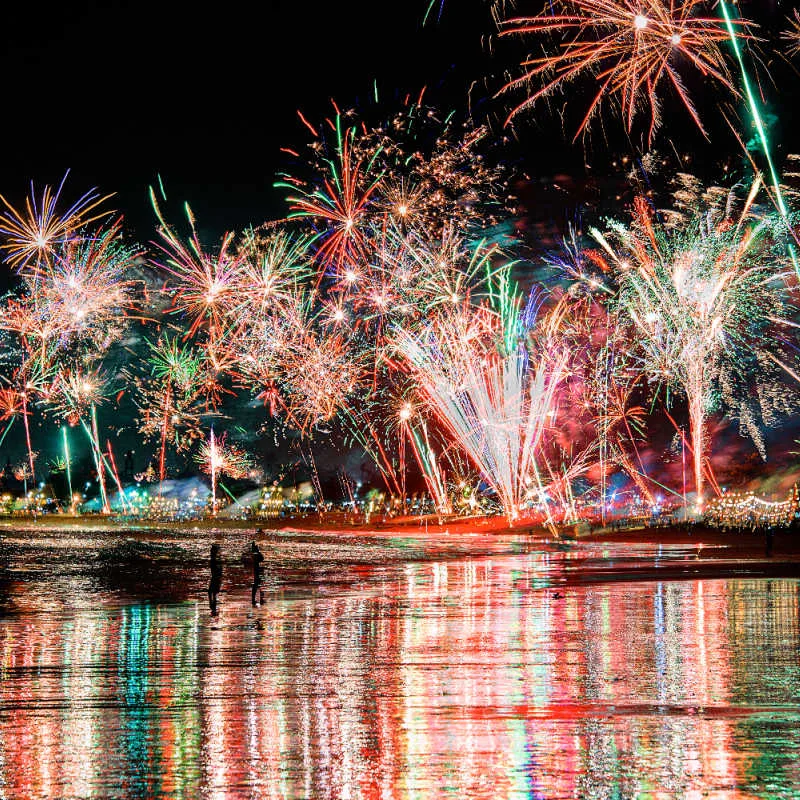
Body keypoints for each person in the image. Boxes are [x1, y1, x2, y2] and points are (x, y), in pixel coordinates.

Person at [208, 543, 223, 615]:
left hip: (215, 577)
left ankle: (213, 604)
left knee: (212, 592)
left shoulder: (214, 559)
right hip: (216, 577)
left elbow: (217, 569)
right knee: (213, 592)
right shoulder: (216, 559)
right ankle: (213, 604)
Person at [250, 540, 265, 606]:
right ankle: (260, 599)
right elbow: (262, 558)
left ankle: (256, 599)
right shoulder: (256, 554)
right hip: (258, 571)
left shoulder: (254, 555)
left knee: (257, 585)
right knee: (259, 585)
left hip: (257, 571)